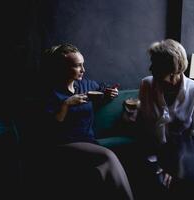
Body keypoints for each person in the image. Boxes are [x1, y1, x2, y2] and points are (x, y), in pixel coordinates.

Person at [40, 43, 134, 200]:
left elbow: (102, 90)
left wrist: (110, 92)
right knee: (108, 156)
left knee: (102, 171)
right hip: (63, 143)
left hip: (88, 141)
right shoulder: (51, 93)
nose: (83, 70)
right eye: (77, 66)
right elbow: (51, 128)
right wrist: (66, 104)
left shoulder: (85, 85)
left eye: (83, 65)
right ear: (62, 68)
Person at [137, 39, 194, 188]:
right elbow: (143, 124)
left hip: (182, 158)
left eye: (155, 65)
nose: (150, 68)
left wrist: (172, 167)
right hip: (150, 154)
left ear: (171, 69)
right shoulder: (146, 85)